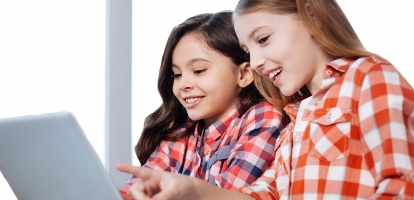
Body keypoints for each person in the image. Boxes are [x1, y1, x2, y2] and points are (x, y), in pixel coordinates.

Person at [117, 0, 414, 199]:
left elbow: (403, 180)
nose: (257, 62)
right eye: (249, 51)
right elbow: (265, 195)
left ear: (311, 16)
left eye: (263, 40)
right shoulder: (294, 119)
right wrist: (192, 190)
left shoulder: (368, 77)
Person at [119, 10, 297, 200]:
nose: (183, 84)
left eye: (198, 70)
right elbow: (134, 191)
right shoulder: (182, 135)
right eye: (177, 74)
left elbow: (227, 194)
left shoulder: (264, 118)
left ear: (244, 74)